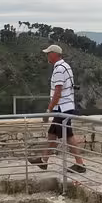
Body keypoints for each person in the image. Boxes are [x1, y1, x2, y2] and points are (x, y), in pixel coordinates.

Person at [28, 44, 86, 173]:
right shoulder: (66, 66)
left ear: (54, 54)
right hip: (66, 106)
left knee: (68, 135)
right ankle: (44, 161)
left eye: (48, 53)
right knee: (52, 133)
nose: (47, 56)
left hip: (62, 108)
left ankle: (80, 164)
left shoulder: (59, 69)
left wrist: (49, 110)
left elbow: (57, 92)